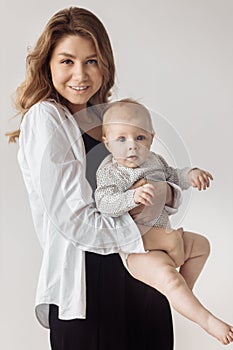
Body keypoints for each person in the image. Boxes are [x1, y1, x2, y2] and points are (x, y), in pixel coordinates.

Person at [6, 7, 184, 350]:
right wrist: (149, 235)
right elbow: (74, 220)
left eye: (92, 61)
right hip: (89, 289)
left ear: (106, 65)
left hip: (141, 280)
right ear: (48, 64)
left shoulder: (113, 119)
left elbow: (157, 178)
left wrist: (165, 192)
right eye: (67, 61)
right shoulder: (46, 118)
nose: (80, 74)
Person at [95, 98, 233, 345]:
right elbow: (104, 202)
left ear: (151, 137)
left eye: (140, 138)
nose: (132, 147)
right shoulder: (109, 171)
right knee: (169, 278)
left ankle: (185, 293)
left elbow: (173, 176)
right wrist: (131, 196)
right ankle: (207, 320)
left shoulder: (154, 161)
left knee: (202, 246)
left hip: (167, 233)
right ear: (107, 142)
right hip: (140, 249)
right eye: (121, 139)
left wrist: (191, 174)